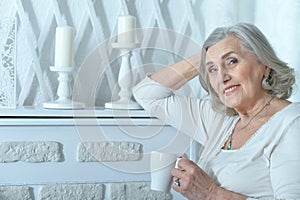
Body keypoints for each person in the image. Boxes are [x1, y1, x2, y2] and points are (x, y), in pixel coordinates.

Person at [133, 23, 300, 199]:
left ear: (264, 65)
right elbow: (147, 95)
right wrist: (207, 55)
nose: (222, 77)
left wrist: (211, 194)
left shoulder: (291, 124)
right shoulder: (221, 119)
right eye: (212, 69)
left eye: (232, 61)